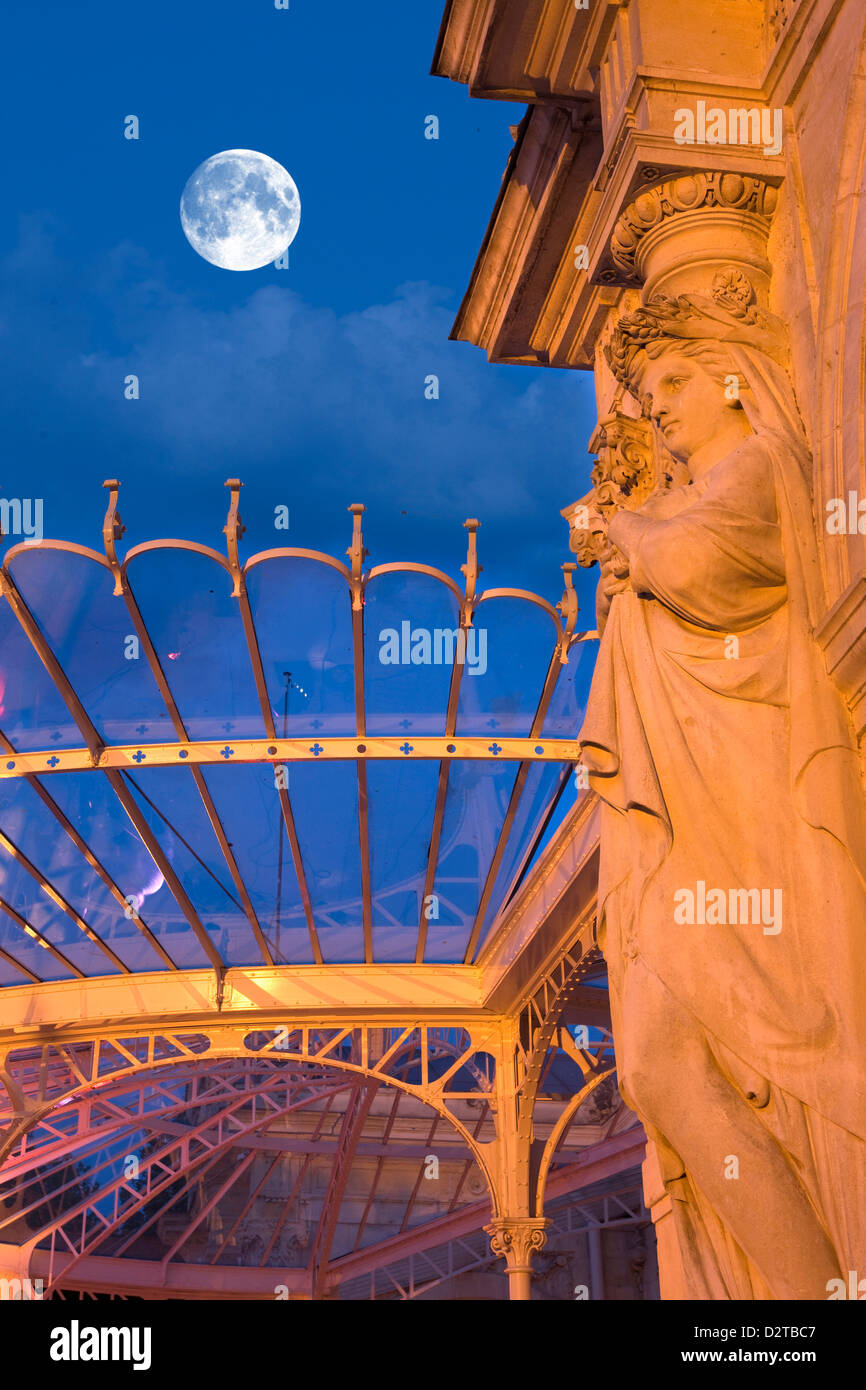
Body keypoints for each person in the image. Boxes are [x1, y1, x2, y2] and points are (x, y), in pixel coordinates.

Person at [579, 270, 866, 1298]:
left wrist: (620, 533)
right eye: (642, 383)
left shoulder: (756, 471)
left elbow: (713, 572)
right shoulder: (682, 493)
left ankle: (808, 1294)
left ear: (734, 380)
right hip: (677, 817)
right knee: (654, 1064)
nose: (650, 400)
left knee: (690, 1054)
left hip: (743, 805)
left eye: (667, 377)